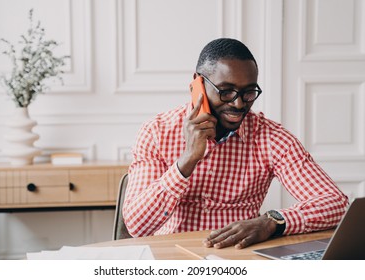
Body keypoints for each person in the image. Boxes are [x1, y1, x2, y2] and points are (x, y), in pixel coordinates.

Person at [123, 38, 349, 249]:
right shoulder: (156, 132)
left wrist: (271, 222)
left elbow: (336, 204)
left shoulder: (271, 138)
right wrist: (187, 160)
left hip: (239, 260)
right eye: (226, 91)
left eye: (248, 92)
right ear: (198, 83)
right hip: (171, 260)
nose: (239, 103)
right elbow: (137, 226)